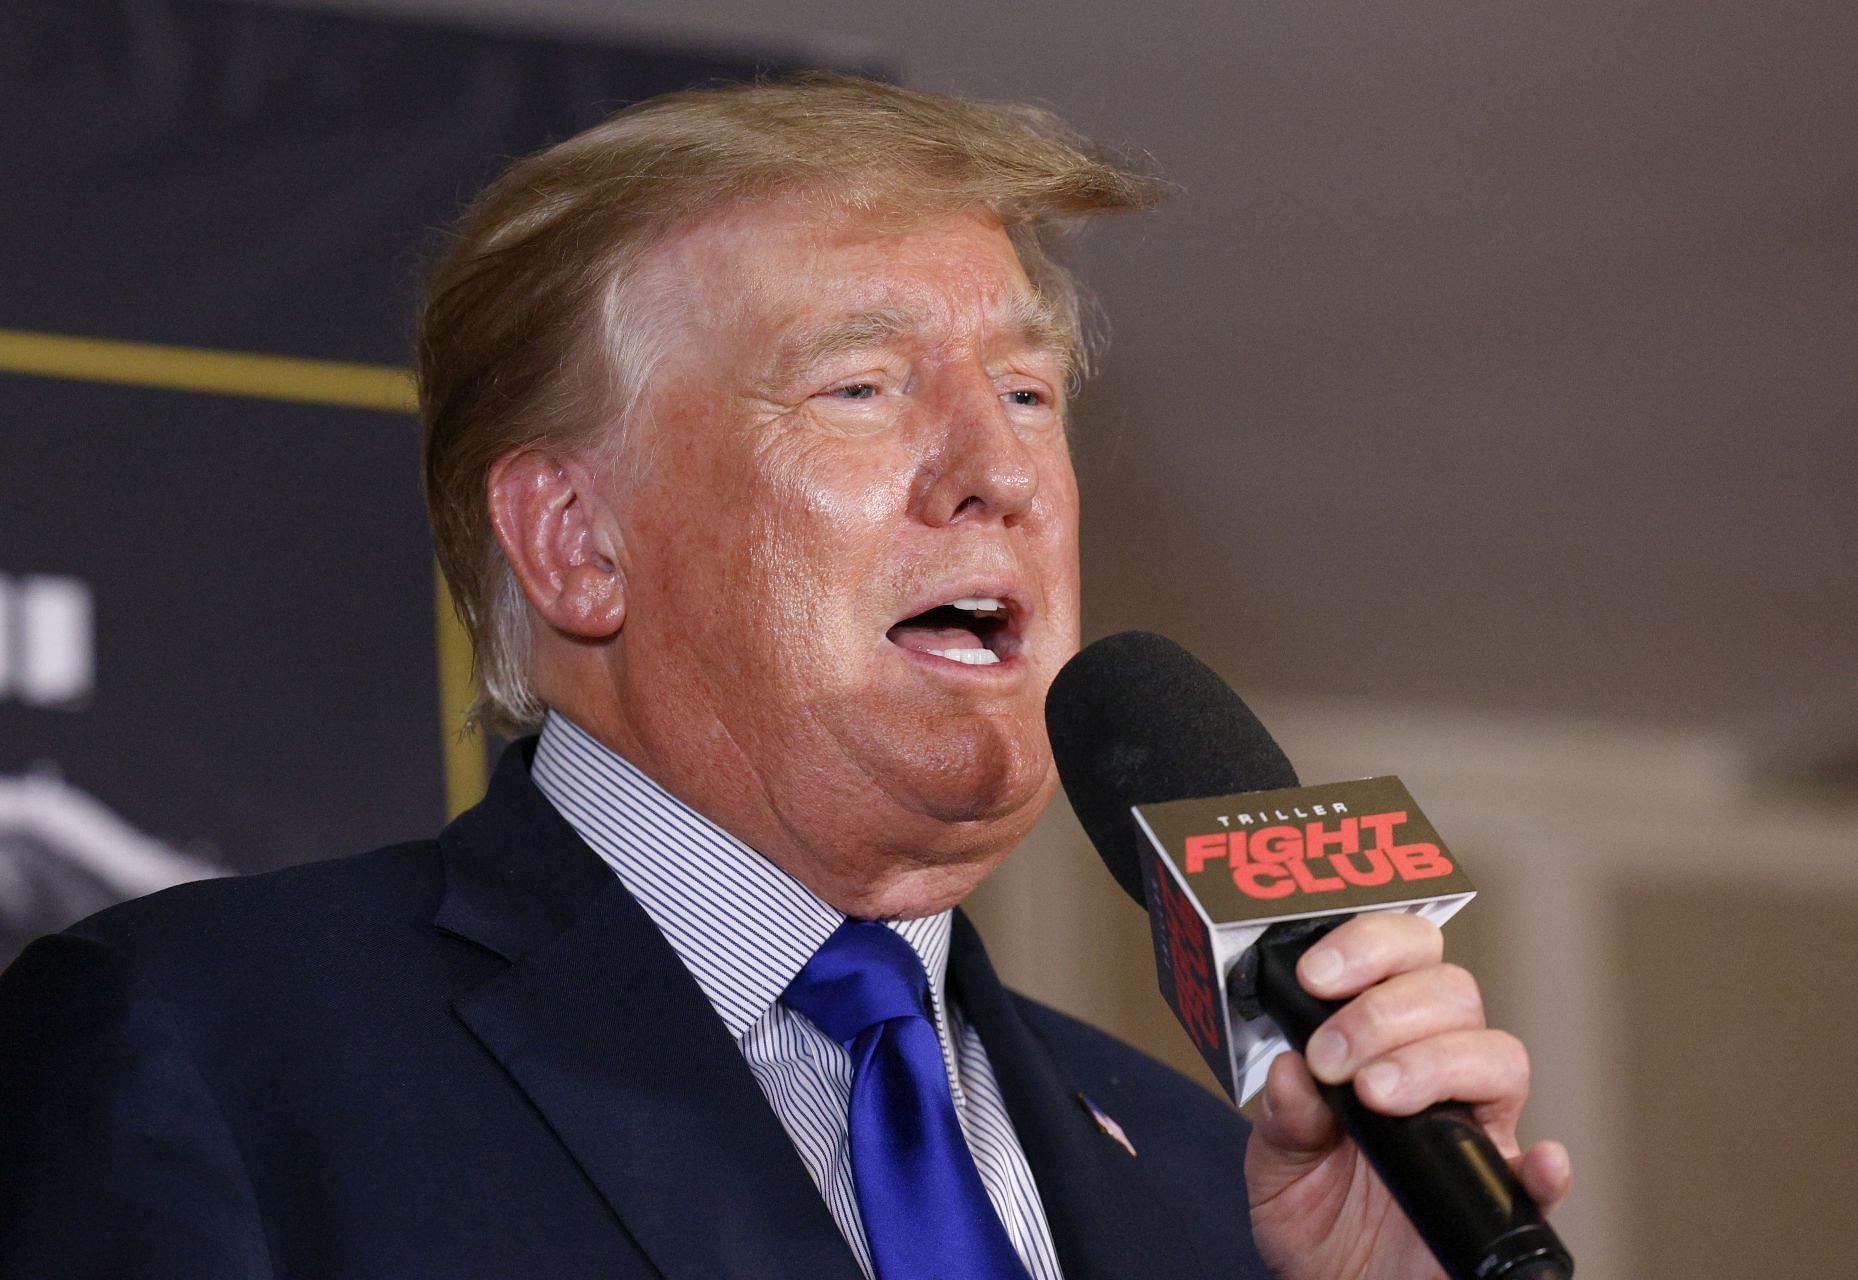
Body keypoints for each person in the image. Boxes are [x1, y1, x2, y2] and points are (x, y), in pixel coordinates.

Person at [0, 75, 1569, 1278]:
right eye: (863, 386)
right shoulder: (208, 1042)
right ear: (575, 543)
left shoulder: (1207, 1179)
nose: (999, 472)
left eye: (1027, 391)